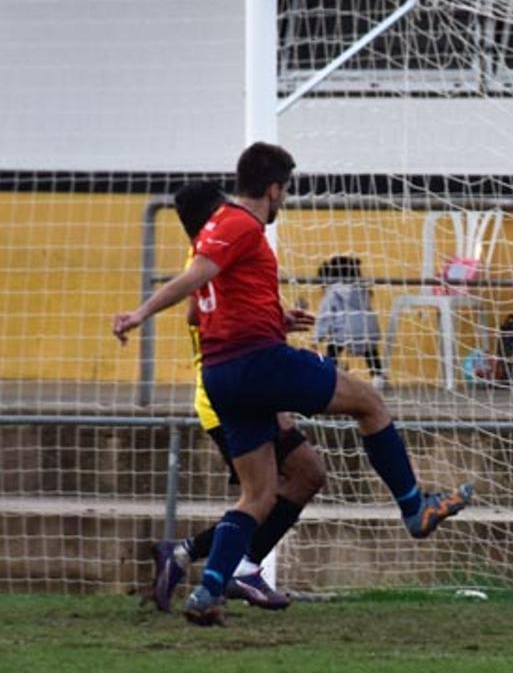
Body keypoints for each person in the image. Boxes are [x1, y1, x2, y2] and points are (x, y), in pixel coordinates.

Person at [114, 143, 473, 626]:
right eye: (284, 192)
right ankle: (415, 508)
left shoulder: (217, 230)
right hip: (259, 364)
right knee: (369, 403)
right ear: (274, 188)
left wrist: (275, 316)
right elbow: (196, 278)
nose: (283, 201)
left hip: (222, 376)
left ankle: (208, 591)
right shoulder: (239, 223)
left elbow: (211, 302)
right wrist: (140, 313)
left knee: (258, 495)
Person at [150, 180, 327, 613]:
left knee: (303, 476)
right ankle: (232, 569)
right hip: (229, 394)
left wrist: (273, 322)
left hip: (235, 384)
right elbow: (197, 314)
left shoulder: (210, 251)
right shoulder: (210, 254)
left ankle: (196, 556)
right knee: (267, 493)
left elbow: (206, 313)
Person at [314, 255, 388, 391]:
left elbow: (325, 315)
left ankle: (332, 375)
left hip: (346, 331)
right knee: (371, 352)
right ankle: (378, 376)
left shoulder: (333, 292)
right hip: (369, 330)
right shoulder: (362, 289)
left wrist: (318, 335)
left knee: (332, 349)